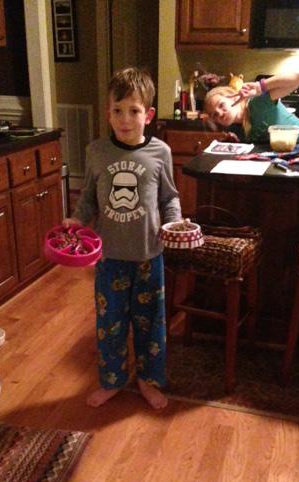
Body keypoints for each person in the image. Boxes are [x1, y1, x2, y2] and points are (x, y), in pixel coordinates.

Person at [63, 67, 182, 409]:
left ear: (149, 115)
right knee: (110, 325)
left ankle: (148, 380)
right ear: (108, 112)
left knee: (151, 326)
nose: (125, 119)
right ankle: (113, 379)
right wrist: (77, 219)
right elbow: (88, 197)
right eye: (117, 110)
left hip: (149, 257)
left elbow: (169, 197)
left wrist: (174, 223)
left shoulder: (160, 152)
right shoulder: (97, 151)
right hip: (109, 258)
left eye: (134, 110)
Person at [204, 71, 299, 148]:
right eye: (215, 115)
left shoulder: (257, 102)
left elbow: (297, 78)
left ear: (233, 97)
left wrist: (261, 86)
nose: (219, 113)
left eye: (221, 105)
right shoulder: (237, 130)